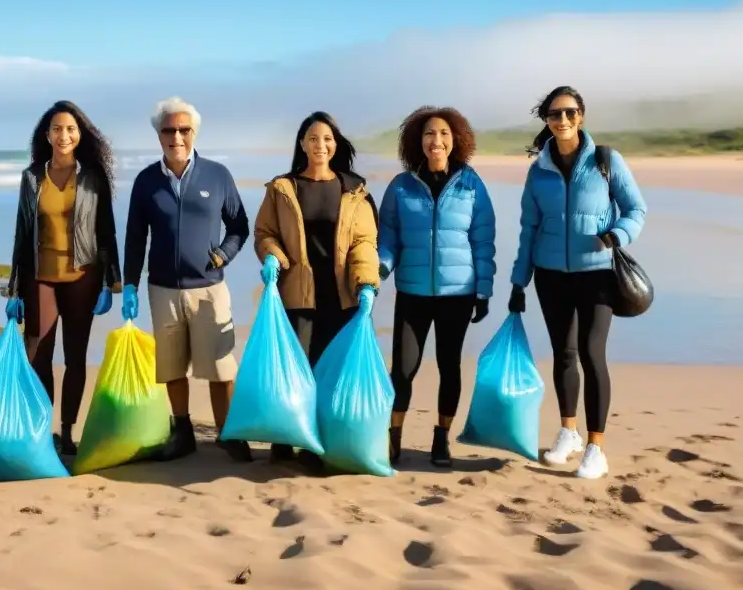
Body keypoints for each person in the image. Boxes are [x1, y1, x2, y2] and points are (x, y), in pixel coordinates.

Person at [508, 86, 647, 480]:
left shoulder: (606, 161)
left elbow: (636, 208)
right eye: (555, 114)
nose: (562, 120)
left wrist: (618, 234)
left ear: (581, 116)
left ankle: (595, 447)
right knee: (563, 354)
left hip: (598, 273)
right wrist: (520, 280)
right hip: (550, 276)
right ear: (547, 121)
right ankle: (568, 432)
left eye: (569, 113)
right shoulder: (538, 172)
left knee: (591, 352)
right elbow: (528, 227)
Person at [121, 97, 252, 462]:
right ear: (158, 134)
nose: (176, 137)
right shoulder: (146, 181)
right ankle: (183, 432)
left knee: (221, 368)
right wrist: (129, 283)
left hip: (209, 289)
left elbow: (239, 226)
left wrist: (223, 254)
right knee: (172, 366)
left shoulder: (217, 175)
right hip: (162, 289)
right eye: (169, 130)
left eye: (184, 130)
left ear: (194, 133)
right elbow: (135, 236)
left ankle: (230, 433)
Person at [254, 111, 379, 469]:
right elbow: (265, 232)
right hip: (296, 294)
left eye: (326, 139)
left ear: (335, 144)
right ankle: (285, 437)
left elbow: (364, 242)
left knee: (330, 371)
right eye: (312, 138)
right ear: (302, 144)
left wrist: (367, 283)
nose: (319, 145)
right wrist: (273, 257)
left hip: (340, 297)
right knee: (295, 370)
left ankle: (316, 444)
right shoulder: (283, 187)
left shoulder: (353, 190)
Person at [377, 106, 496, 468]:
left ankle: (441, 437)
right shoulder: (401, 186)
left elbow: (483, 239)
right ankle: (393, 436)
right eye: (429, 134)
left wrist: (483, 290)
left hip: (457, 294)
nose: (436, 141)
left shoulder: (471, 184)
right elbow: (388, 237)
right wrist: (380, 270)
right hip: (412, 292)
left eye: (444, 134)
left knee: (449, 366)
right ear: (419, 140)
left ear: (455, 140)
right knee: (404, 369)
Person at [4, 101, 122, 456]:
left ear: (80, 135)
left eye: (70, 129)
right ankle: (41, 428)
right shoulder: (31, 177)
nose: (64, 135)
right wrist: (13, 288)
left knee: (75, 357)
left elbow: (106, 232)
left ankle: (67, 431)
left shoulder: (92, 178)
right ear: (47, 135)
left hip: (83, 277)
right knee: (37, 354)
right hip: (40, 277)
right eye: (57, 129)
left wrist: (111, 282)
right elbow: (22, 233)